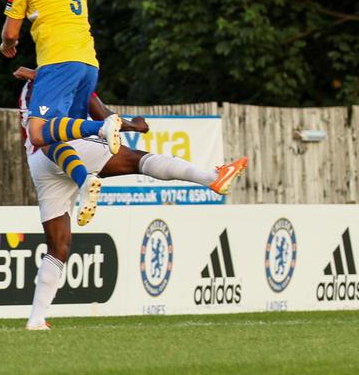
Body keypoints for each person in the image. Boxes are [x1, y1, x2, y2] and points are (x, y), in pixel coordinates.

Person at [14, 67, 248, 330]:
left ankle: (36, 319)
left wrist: (133, 125)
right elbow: (100, 115)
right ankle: (210, 178)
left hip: (38, 162)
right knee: (138, 160)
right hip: (65, 147)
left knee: (58, 245)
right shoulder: (67, 73)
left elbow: (102, 118)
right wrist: (135, 125)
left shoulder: (44, 79)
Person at [0, 0, 122, 226]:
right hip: (88, 64)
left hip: (58, 61)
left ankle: (102, 127)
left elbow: (10, 31)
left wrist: (7, 45)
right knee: (60, 134)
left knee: (38, 132)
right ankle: (83, 181)